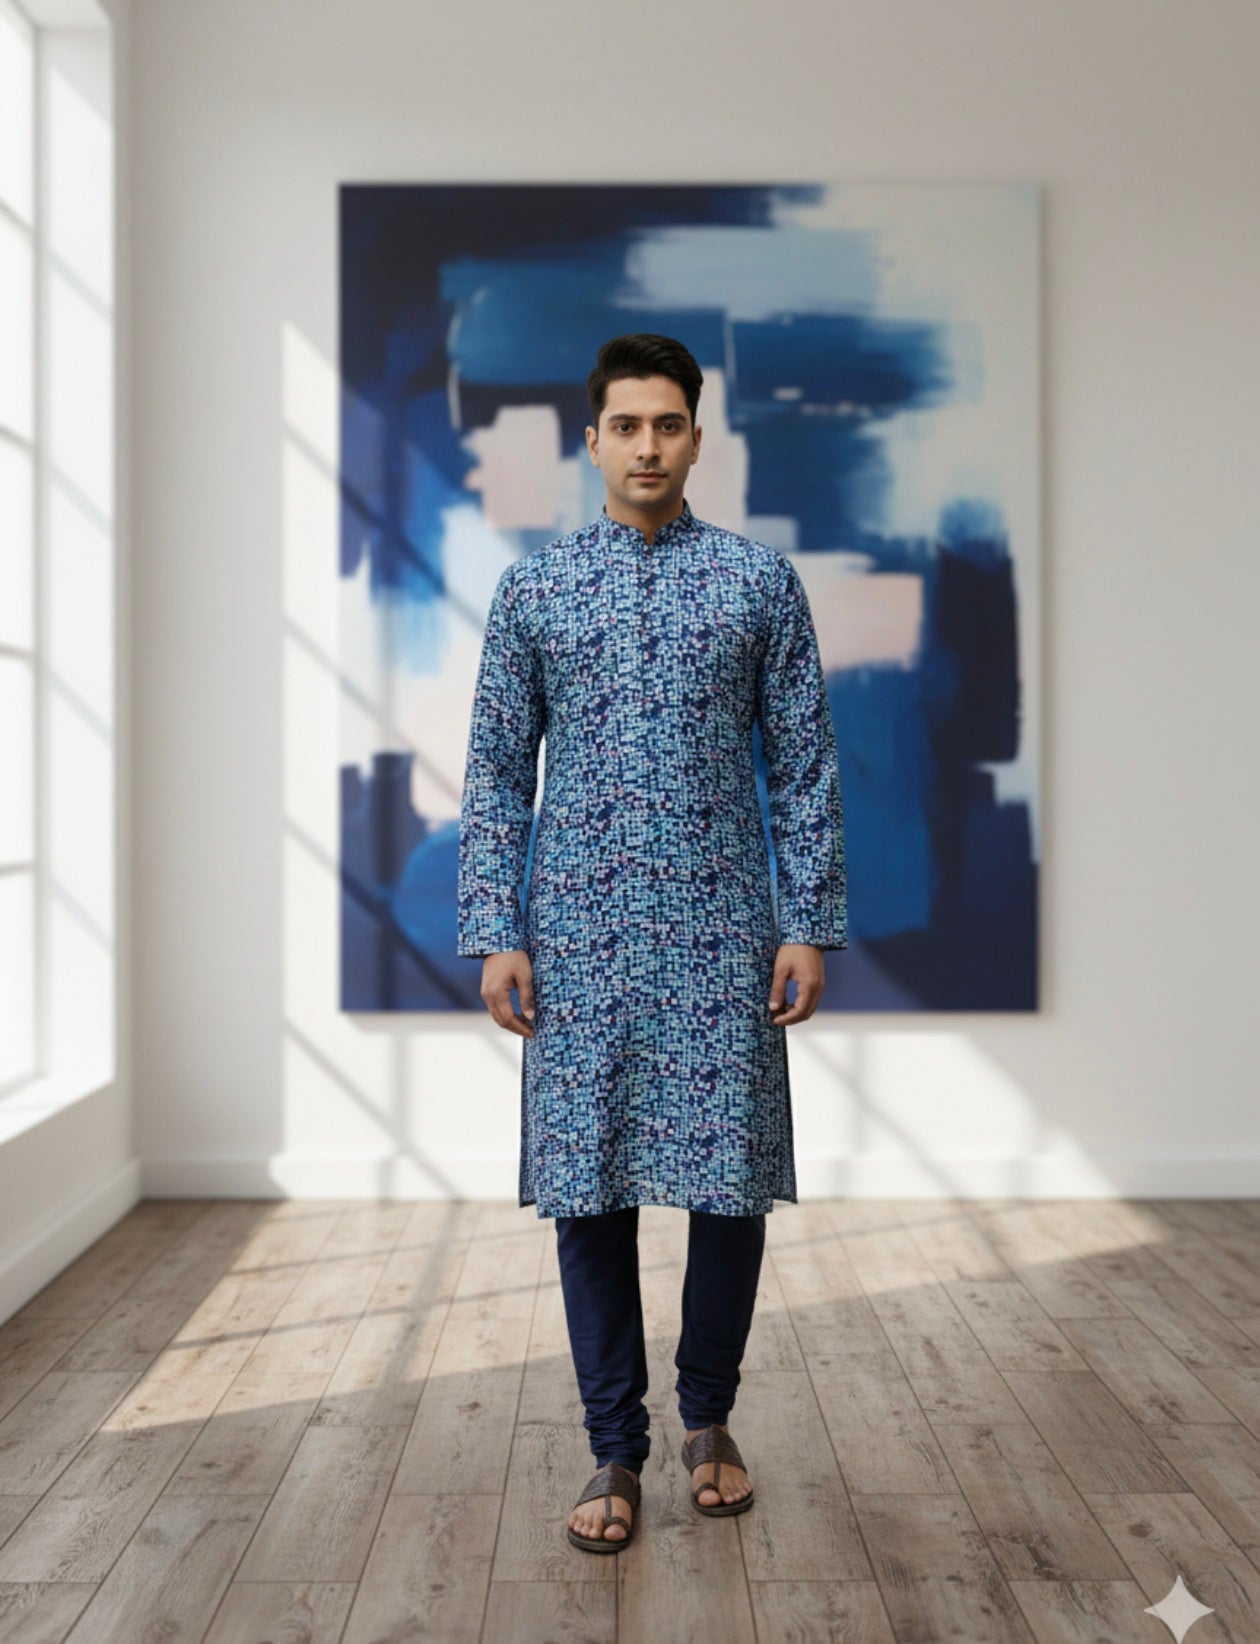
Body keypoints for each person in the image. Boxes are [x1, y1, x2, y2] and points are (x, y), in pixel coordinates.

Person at [457, 332, 847, 1552]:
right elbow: (490, 772)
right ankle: (612, 1449)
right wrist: (495, 930)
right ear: (592, 440)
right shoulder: (536, 590)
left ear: (696, 435)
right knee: (590, 1194)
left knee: (729, 1192)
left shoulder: (756, 584)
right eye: (624, 425)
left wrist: (809, 922)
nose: (646, 445)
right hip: (576, 937)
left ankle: (709, 1420)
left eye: (667, 424)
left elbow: (806, 764)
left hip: (724, 934)